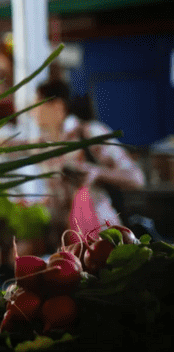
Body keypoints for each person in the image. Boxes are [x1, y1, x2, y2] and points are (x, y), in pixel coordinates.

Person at [33, 79, 145, 238]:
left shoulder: (89, 133)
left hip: (103, 236)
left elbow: (136, 178)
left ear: (58, 106)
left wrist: (97, 172)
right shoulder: (45, 145)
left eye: (37, 105)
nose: (33, 113)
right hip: (67, 240)